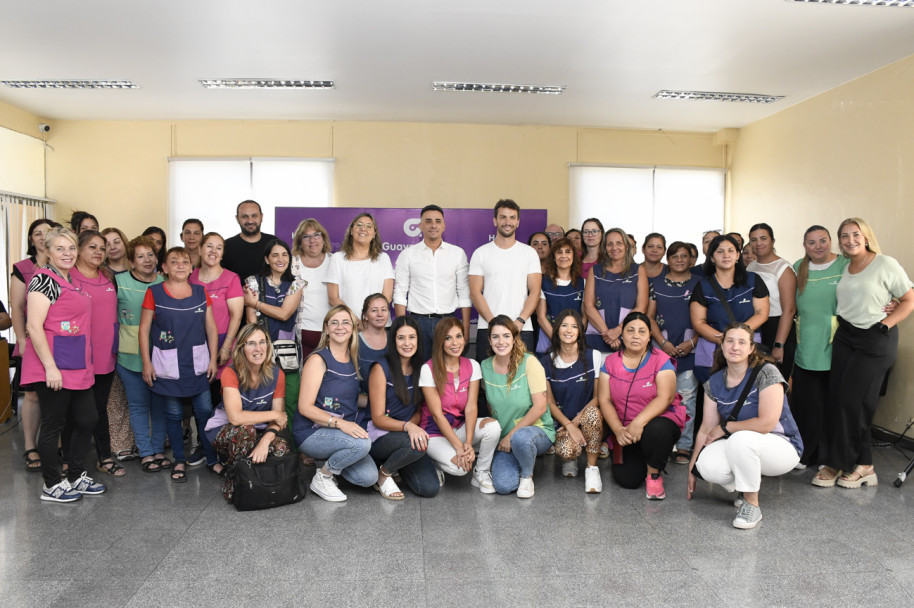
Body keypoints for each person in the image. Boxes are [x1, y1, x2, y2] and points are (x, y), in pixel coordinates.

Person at [814, 218, 914, 489]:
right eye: (844, 236)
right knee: (837, 398)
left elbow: (908, 299)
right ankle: (844, 461)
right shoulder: (845, 267)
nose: (850, 240)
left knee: (854, 401)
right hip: (846, 336)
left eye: (855, 234)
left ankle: (861, 464)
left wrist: (885, 325)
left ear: (866, 236)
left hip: (875, 337)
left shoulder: (885, 263)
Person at [687, 323, 803, 529]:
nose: (735, 347)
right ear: (722, 345)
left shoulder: (767, 372)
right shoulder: (714, 382)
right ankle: (744, 484)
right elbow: (706, 429)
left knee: (740, 438)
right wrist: (692, 468)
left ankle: (752, 505)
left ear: (751, 348)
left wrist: (726, 427)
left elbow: (767, 423)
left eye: (742, 342)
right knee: (706, 464)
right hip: (743, 444)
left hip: (782, 446)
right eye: (729, 341)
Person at [21, 227, 106, 502]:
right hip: (54, 365)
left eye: (70, 248)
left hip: (76, 363)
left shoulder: (71, 280)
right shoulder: (43, 280)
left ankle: (75, 475)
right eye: (60, 249)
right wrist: (50, 367)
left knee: (87, 419)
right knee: (54, 425)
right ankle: (51, 484)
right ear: (47, 251)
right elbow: (34, 326)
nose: (67, 254)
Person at [139, 247, 220, 483]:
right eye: (174, 262)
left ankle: (212, 459)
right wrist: (146, 363)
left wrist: (213, 358)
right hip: (167, 366)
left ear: (191, 266)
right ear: (164, 268)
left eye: (185, 261)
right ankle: (179, 460)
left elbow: (211, 328)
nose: (180, 265)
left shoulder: (200, 292)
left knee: (204, 412)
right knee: (173, 414)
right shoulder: (154, 293)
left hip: (198, 364)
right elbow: (144, 330)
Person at [293, 305, 379, 502]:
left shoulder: (353, 358)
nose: (340, 327)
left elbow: (350, 399)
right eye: (334, 322)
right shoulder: (318, 359)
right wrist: (342, 424)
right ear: (326, 328)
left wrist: (380, 402)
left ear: (353, 328)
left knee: (367, 478)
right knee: (362, 443)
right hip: (311, 431)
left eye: (345, 322)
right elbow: (305, 407)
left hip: (338, 433)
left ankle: (326, 461)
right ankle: (323, 477)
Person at [599, 312, 684, 499]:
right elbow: (604, 400)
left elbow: (666, 397)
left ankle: (654, 474)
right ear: (622, 335)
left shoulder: (660, 360)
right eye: (630, 330)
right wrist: (618, 430)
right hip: (626, 429)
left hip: (658, 422)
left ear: (649, 336)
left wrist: (639, 422)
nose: (635, 335)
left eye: (641, 331)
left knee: (657, 431)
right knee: (627, 480)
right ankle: (647, 456)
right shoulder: (610, 362)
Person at [204, 323, 290, 502]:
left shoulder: (277, 373)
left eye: (262, 342)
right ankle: (236, 483)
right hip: (224, 429)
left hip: (258, 430)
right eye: (251, 343)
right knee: (246, 431)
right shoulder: (230, 373)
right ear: (241, 348)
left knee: (282, 447)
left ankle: (257, 479)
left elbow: (279, 420)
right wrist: (274, 415)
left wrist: (264, 443)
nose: (258, 348)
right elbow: (236, 417)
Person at [419, 318, 501, 493]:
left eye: (458, 336)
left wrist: (468, 443)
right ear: (440, 342)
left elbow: (471, 407)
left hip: (460, 427)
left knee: (493, 427)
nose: (454, 343)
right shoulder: (428, 369)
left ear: (465, 339)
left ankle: (482, 472)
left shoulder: (472, 366)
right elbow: (436, 415)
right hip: (434, 433)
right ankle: (434, 462)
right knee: (459, 469)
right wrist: (458, 446)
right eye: (448, 338)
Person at [791, 226, 848, 467]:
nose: (818, 246)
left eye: (822, 241)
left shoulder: (845, 264)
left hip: (836, 342)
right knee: (806, 404)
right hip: (806, 344)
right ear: (804, 246)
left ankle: (829, 456)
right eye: (811, 242)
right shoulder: (798, 267)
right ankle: (807, 453)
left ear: (831, 241)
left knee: (832, 403)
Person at [481, 314, 555, 497]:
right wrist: (501, 435)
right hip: (506, 438)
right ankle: (522, 457)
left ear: (514, 339)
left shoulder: (530, 363)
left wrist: (511, 436)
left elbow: (540, 407)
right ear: (489, 340)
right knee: (503, 486)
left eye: (506, 336)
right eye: (495, 336)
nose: (501, 341)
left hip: (537, 430)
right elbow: (492, 405)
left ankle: (527, 477)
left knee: (521, 438)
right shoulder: (484, 367)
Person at [68, 230, 123, 476]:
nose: (99, 252)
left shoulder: (108, 277)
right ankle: (70, 462)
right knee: (75, 411)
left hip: (105, 356)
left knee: (100, 408)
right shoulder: (67, 278)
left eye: (101, 248)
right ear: (78, 249)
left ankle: (105, 457)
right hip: (76, 357)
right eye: (92, 247)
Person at [367, 316, 440, 499]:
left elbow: (418, 411)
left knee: (429, 488)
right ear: (393, 341)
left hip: (406, 435)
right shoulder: (381, 368)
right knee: (418, 446)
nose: (407, 343)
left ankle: (396, 465)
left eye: (412, 337)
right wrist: (408, 427)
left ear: (418, 340)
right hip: (380, 435)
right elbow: (378, 418)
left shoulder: (421, 369)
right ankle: (383, 474)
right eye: (401, 338)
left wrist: (412, 426)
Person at [115, 236, 168, 473]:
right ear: (131, 261)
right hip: (129, 356)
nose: (147, 260)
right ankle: (145, 452)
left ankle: (158, 449)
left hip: (161, 355)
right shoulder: (119, 282)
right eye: (140, 256)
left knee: (159, 406)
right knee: (138, 406)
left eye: (151, 255)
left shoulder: (165, 282)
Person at [393, 204, 472, 361]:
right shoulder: (408, 255)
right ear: (421, 226)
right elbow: (400, 293)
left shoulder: (457, 254)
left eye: (438, 221)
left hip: (448, 320)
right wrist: (403, 327)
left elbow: (464, 292)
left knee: (447, 368)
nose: (433, 225)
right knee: (418, 370)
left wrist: (466, 327)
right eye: (428, 221)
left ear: (444, 226)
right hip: (417, 322)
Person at [243, 238, 305, 432]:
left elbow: (285, 313)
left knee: (292, 401)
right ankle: (266, 444)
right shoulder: (253, 281)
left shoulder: (296, 284)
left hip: (287, 353)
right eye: (275, 255)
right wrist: (256, 348)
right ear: (267, 259)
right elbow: (251, 322)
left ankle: (296, 448)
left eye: (285, 254)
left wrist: (255, 303)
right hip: (260, 350)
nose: (280, 259)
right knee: (263, 401)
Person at [689, 234, 769, 385]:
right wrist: (726, 340)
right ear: (712, 257)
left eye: (731, 251)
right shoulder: (703, 286)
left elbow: (762, 313)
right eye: (720, 251)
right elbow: (698, 322)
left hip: (748, 349)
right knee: (714, 394)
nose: (726, 255)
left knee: (747, 394)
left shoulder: (753, 280)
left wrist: (738, 337)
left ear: (738, 255)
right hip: (713, 351)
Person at [648, 241, 701, 464]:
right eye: (674, 256)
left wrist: (693, 342)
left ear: (691, 259)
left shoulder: (701, 283)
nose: (679, 260)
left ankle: (684, 446)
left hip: (691, 348)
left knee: (687, 399)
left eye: (684, 256)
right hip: (662, 350)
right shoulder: (656, 284)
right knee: (660, 397)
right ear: (667, 260)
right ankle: (662, 443)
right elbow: (649, 317)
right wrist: (663, 342)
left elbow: (709, 317)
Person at [469, 199, 542, 358]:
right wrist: (493, 323)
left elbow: (535, 291)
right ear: (495, 220)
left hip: (521, 329)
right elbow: (475, 292)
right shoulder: (480, 253)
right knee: (488, 381)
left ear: (518, 222)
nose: (507, 222)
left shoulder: (529, 253)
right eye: (503, 217)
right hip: (488, 328)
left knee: (522, 380)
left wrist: (520, 321)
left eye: (512, 218)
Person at [541, 309, 603, 492]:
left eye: (574, 326)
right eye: (564, 325)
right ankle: (573, 457)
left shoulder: (594, 356)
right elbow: (549, 403)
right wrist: (568, 425)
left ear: (580, 331)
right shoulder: (546, 362)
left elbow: (599, 397)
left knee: (592, 414)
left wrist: (577, 421)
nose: (569, 330)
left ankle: (592, 469)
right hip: (563, 423)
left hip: (588, 418)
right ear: (557, 329)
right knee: (567, 452)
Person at [10, 218, 55, 473]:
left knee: (60, 394)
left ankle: (57, 443)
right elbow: (16, 308)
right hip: (31, 338)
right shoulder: (23, 268)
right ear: (31, 239)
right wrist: (23, 339)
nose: (42, 237)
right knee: (32, 394)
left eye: (47, 232)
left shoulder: (64, 263)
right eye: (37, 233)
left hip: (59, 340)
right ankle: (30, 446)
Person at [190, 232, 244, 423]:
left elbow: (237, 316)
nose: (213, 251)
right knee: (200, 403)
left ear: (222, 254)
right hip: (196, 346)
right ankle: (203, 446)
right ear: (200, 249)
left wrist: (227, 347)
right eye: (209, 246)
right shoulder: (190, 277)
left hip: (223, 346)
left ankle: (222, 447)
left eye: (218, 247)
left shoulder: (231, 279)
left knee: (221, 402)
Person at [582, 227, 649, 353]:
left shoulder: (638, 270)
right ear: (604, 248)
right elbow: (588, 306)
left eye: (619, 243)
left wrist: (618, 330)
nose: (614, 248)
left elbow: (642, 307)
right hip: (597, 338)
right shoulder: (594, 271)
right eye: (609, 244)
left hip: (628, 337)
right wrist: (607, 333)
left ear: (626, 246)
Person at [747, 223, 797, 378]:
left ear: (772, 241)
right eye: (754, 239)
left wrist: (779, 345)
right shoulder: (750, 267)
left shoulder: (783, 268)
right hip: (756, 327)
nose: (758, 243)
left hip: (778, 328)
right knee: (756, 379)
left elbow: (789, 310)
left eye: (763, 238)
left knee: (776, 380)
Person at [325, 212, 394, 317]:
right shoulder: (337, 259)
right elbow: (333, 298)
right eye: (359, 225)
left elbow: (387, 296)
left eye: (369, 226)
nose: (363, 229)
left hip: (376, 324)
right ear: (352, 230)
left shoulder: (383, 258)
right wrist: (355, 321)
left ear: (374, 233)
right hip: (347, 324)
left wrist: (369, 320)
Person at [290, 218, 332, 359]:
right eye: (306, 237)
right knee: (305, 378)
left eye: (316, 235)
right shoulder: (292, 263)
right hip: (302, 334)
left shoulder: (335, 261)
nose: (312, 241)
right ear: (300, 242)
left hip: (332, 333)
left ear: (323, 238)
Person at [536, 237, 585, 353]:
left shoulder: (583, 283)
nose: (563, 256)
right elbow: (541, 317)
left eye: (568, 252)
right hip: (549, 344)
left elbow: (585, 316)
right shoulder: (543, 282)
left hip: (575, 344)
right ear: (553, 257)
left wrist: (573, 339)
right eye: (559, 252)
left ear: (574, 256)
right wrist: (558, 341)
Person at [356, 293, 390, 427]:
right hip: (363, 410)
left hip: (394, 410)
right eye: (374, 310)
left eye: (384, 309)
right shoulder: (355, 343)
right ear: (365, 315)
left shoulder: (397, 340)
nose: (380, 314)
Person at [222, 200, 277, 282]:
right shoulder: (226, 246)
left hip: (271, 294)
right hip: (237, 295)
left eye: (254, 216)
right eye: (244, 216)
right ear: (237, 219)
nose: (250, 221)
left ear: (261, 217)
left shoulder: (274, 243)